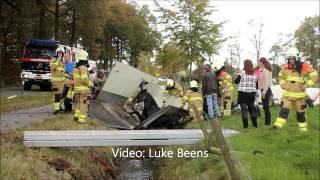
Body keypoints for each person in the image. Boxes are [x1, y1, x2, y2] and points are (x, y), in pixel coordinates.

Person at [274, 47, 318, 131]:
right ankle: (277, 128)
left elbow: (314, 75)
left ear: (296, 57)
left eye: (292, 58)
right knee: (283, 112)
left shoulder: (304, 66)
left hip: (300, 98)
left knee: (300, 114)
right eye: (289, 58)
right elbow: (280, 76)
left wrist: (307, 85)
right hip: (287, 96)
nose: (290, 60)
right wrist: (283, 85)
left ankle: (303, 130)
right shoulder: (286, 67)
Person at [234, 59, 258, 128]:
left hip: (242, 93)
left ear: (244, 65)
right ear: (251, 65)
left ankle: (245, 126)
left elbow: (236, 82)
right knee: (251, 108)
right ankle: (255, 125)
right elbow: (258, 82)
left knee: (244, 109)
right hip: (252, 93)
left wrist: (238, 74)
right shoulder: (256, 73)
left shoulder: (241, 74)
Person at [73, 49, 93, 123]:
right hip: (83, 90)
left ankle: (76, 116)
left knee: (79, 103)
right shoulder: (83, 67)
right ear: (85, 58)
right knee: (83, 104)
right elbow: (84, 80)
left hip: (77, 89)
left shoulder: (76, 67)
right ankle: (81, 120)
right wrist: (91, 84)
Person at [50, 47, 66, 114]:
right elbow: (52, 67)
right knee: (56, 95)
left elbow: (63, 72)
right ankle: (55, 110)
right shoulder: (54, 59)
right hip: (56, 82)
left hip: (61, 83)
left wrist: (68, 76)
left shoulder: (63, 62)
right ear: (57, 53)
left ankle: (58, 108)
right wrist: (58, 60)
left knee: (59, 96)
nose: (60, 54)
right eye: (59, 53)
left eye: (61, 53)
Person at [258, 57, 273, 126]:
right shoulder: (261, 70)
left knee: (266, 107)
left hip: (266, 90)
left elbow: (267, 83)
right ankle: (267, 121)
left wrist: (263, 93)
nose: (258, 63)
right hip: (263, 89)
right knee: (265, 106)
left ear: (262, 62)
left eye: (259, 62)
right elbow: (257, 77)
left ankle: (267, 123)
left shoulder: (265, 70)